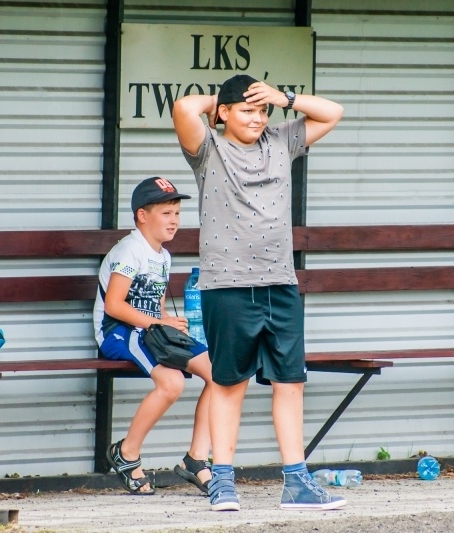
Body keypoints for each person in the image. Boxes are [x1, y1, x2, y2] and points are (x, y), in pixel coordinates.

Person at [171, 74, 345, 511]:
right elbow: (183, 109)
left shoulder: (282, 141)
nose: (257, 117)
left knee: (290, 382)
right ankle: (223, 481)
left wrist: (283, 98)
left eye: (261, 110)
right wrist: (224, 99)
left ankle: (297, 483)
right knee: (229, 383)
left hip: (281, 282)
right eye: (246, 110)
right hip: (227, 286)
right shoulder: (208, 149)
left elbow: (333, 112)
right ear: (224, 114)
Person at [93, 176, 214, 496]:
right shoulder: (130, 250)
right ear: (142, 216)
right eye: (166, 213)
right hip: (118, 331)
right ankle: (127, 453)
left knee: (220, 374)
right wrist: (157, 324)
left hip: (147, 328)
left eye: (177, 213)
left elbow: (155, 308)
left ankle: (196, 459)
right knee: (172, 383)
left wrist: (169, 321)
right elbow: (115, 306)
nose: (174, 220)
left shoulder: (163, 255)